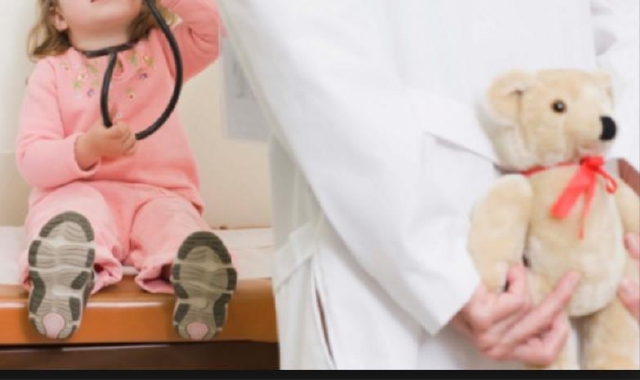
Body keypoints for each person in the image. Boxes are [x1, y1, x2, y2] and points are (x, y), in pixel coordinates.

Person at [218, 0, 639, 369]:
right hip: (389, 257)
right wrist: (436, 267)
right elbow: (294, 25)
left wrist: (627, 199)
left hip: (593, 236)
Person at [15, 0, 236, 341]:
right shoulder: (52, 72)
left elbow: (218, 31)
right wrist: (86, 149)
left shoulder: (163, 51)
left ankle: (193, 274)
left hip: (158, 195)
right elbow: (31, 159)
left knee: (173, 223)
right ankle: (64, 271)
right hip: (81, 192)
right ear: (58, 16)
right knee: (69, 214)